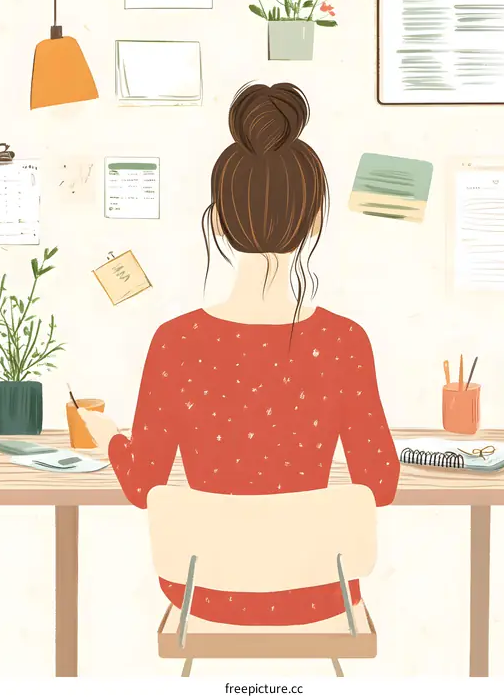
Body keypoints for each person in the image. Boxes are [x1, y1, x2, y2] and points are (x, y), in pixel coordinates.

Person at [81, 81, 400, 627]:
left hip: (202, 593)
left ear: (220, 222)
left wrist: (108, 434)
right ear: (316, 218)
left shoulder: (175, 342)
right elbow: (382, 482)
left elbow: (142, 487)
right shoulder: (345, 342)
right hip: (323, 593)